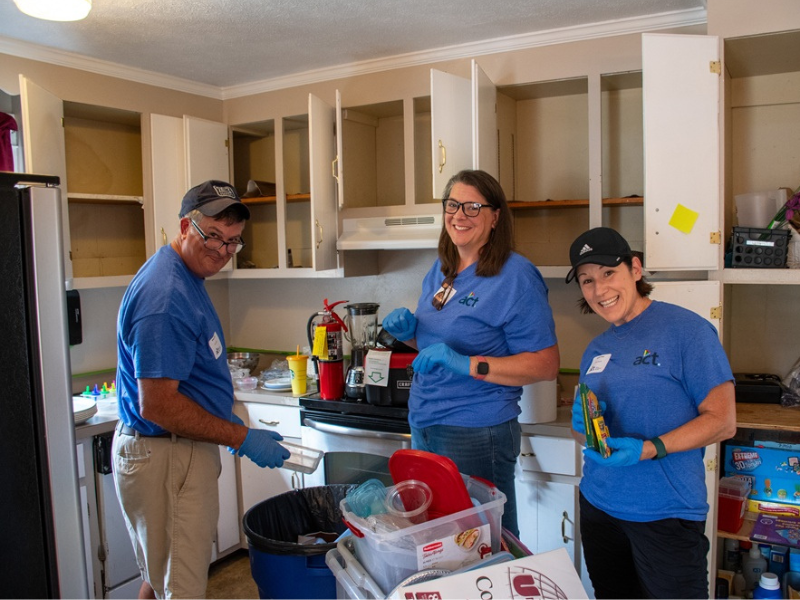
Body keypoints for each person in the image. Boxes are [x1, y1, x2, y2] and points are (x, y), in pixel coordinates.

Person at [113, 180, 290, 599]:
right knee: (183, 588)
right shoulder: (167, 294)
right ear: (184, 226)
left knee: (160, 581)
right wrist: (240, 436)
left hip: (175, 450)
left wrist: (219, 419)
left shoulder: (184, 276)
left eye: (233, 242)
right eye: (213, 235)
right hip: (167, 455)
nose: (222, 249)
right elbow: (156, 404)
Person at [382, 169, 560, 536]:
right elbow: (437, 345)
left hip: (478, 429)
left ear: (495, 217)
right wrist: (410, 335)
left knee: (487, 539)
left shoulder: (516, 276)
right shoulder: (442, 270)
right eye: (452, 204)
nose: (459, 214)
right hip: (425, 420)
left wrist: (466, 364)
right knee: (442, 538)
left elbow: (545, 364)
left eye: (473, 206)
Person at [566, 226, 737, 599]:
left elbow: (722, 421)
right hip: (599, 507)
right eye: (587, 280)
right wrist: (582, 427)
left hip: (664, 514)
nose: (599, 290)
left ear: (636, 269)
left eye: (608, 273)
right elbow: (593, 436)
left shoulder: (687, 331)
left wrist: (649, 448)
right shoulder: (595, 350)